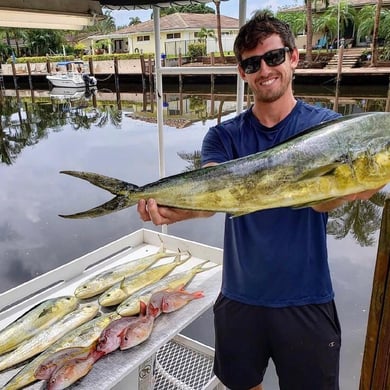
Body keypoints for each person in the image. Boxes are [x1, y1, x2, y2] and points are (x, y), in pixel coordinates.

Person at [138, 12, 382, 390]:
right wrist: (172, 209)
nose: (265, 70)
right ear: (243, 72)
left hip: (306, 298)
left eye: (273, 57)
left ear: (294, 57)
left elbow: (320, 204)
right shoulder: (223, 137)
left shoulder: (328, 129)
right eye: (253, 63)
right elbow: (213, 195)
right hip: (240, 298)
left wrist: (346, 190)